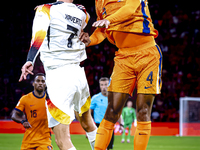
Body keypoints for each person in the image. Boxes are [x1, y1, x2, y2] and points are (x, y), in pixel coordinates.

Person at [80, 0, 163, 149]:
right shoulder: (99, 2)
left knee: (143, 110)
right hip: (123, 58)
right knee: (111, 111)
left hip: (147, 54)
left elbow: (129, 9)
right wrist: (89, 40)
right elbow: (102, 30)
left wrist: (109, 19)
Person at [18, 0, 97, 150]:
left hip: (59, 75)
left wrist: (30, 60)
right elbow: (83, 21)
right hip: (78, 74)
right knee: (88, 124)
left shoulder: (46, 9)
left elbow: (38, 36)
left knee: (62, 139)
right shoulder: (82, 12)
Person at [11, 73, 53, 150]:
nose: (40, 83)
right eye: (38, 81)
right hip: (28, 140)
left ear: (46, 84)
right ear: (33, 83)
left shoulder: (50, 100)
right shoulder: (25, 99)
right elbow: (14, 115)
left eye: (43, 81)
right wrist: (23, 121)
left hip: (44, 140)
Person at [90, 77, 114, 150]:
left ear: (109, 85)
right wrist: (89, 127)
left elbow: (117, 112)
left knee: (109, 147)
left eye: (106, 84)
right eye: (102, 85)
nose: (104, 87)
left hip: (110, 126)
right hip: (98, 126)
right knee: (99, 147)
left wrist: (121, 124)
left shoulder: (113, 98)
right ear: (99, 86)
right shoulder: (95, 98)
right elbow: (88, 113)